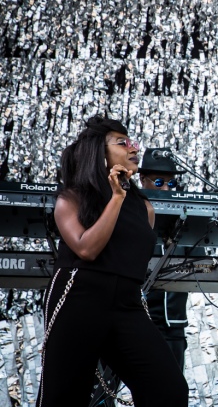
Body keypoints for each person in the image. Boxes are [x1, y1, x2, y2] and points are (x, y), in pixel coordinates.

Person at [37, 116, 188, 407]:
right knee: (63, 397)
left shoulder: (144, 207)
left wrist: (125, 196)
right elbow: (86, 250)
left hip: (127, 305)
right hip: (79, 299)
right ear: (98, 151)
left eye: (131, 141)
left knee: (168, 390)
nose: (133, 147)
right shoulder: (72, 198)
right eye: (122, 142)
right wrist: (116, 197)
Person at [139, 148, 190, 371]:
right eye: (159, 182)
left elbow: (201, 265)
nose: (167, 189)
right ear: (142, 180)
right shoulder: (126, 209)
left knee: (169, 394)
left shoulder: (186, 215)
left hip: (171, 327)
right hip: (130, 321)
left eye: (171, 183)